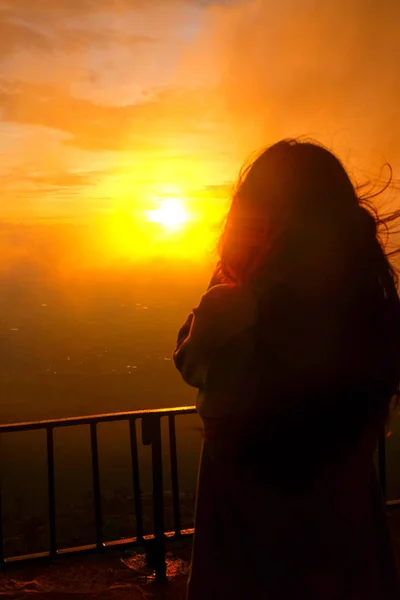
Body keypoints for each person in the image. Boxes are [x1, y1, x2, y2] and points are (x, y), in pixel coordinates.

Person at [173, 139, 400, 599]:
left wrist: (230, 277)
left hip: (243, 572)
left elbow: (187, 358)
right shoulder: (371, 319)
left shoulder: (229, 313)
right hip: (350, 568)